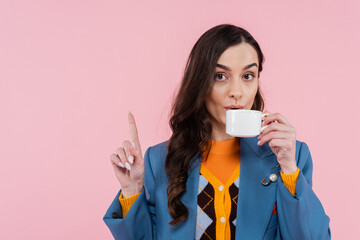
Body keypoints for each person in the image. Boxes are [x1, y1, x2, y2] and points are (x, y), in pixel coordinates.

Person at [103, 24, 331, 240]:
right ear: (200, 83)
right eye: (220, 76)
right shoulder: (158, 160)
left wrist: (289, 170)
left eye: (247, 76)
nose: (236, 92)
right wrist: (132, 189)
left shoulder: (290, 156)